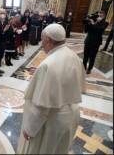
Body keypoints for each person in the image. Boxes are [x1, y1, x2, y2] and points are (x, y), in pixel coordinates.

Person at [17, 24, 85, 154]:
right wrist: (39, 73)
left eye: (42, 39)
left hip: (52, 121)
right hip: (70, 116)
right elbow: (65, 79)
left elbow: (41, 107)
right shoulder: (73, 56)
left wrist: (29, 130)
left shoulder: (48, 65)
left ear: (48, 39)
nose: (41, 42)